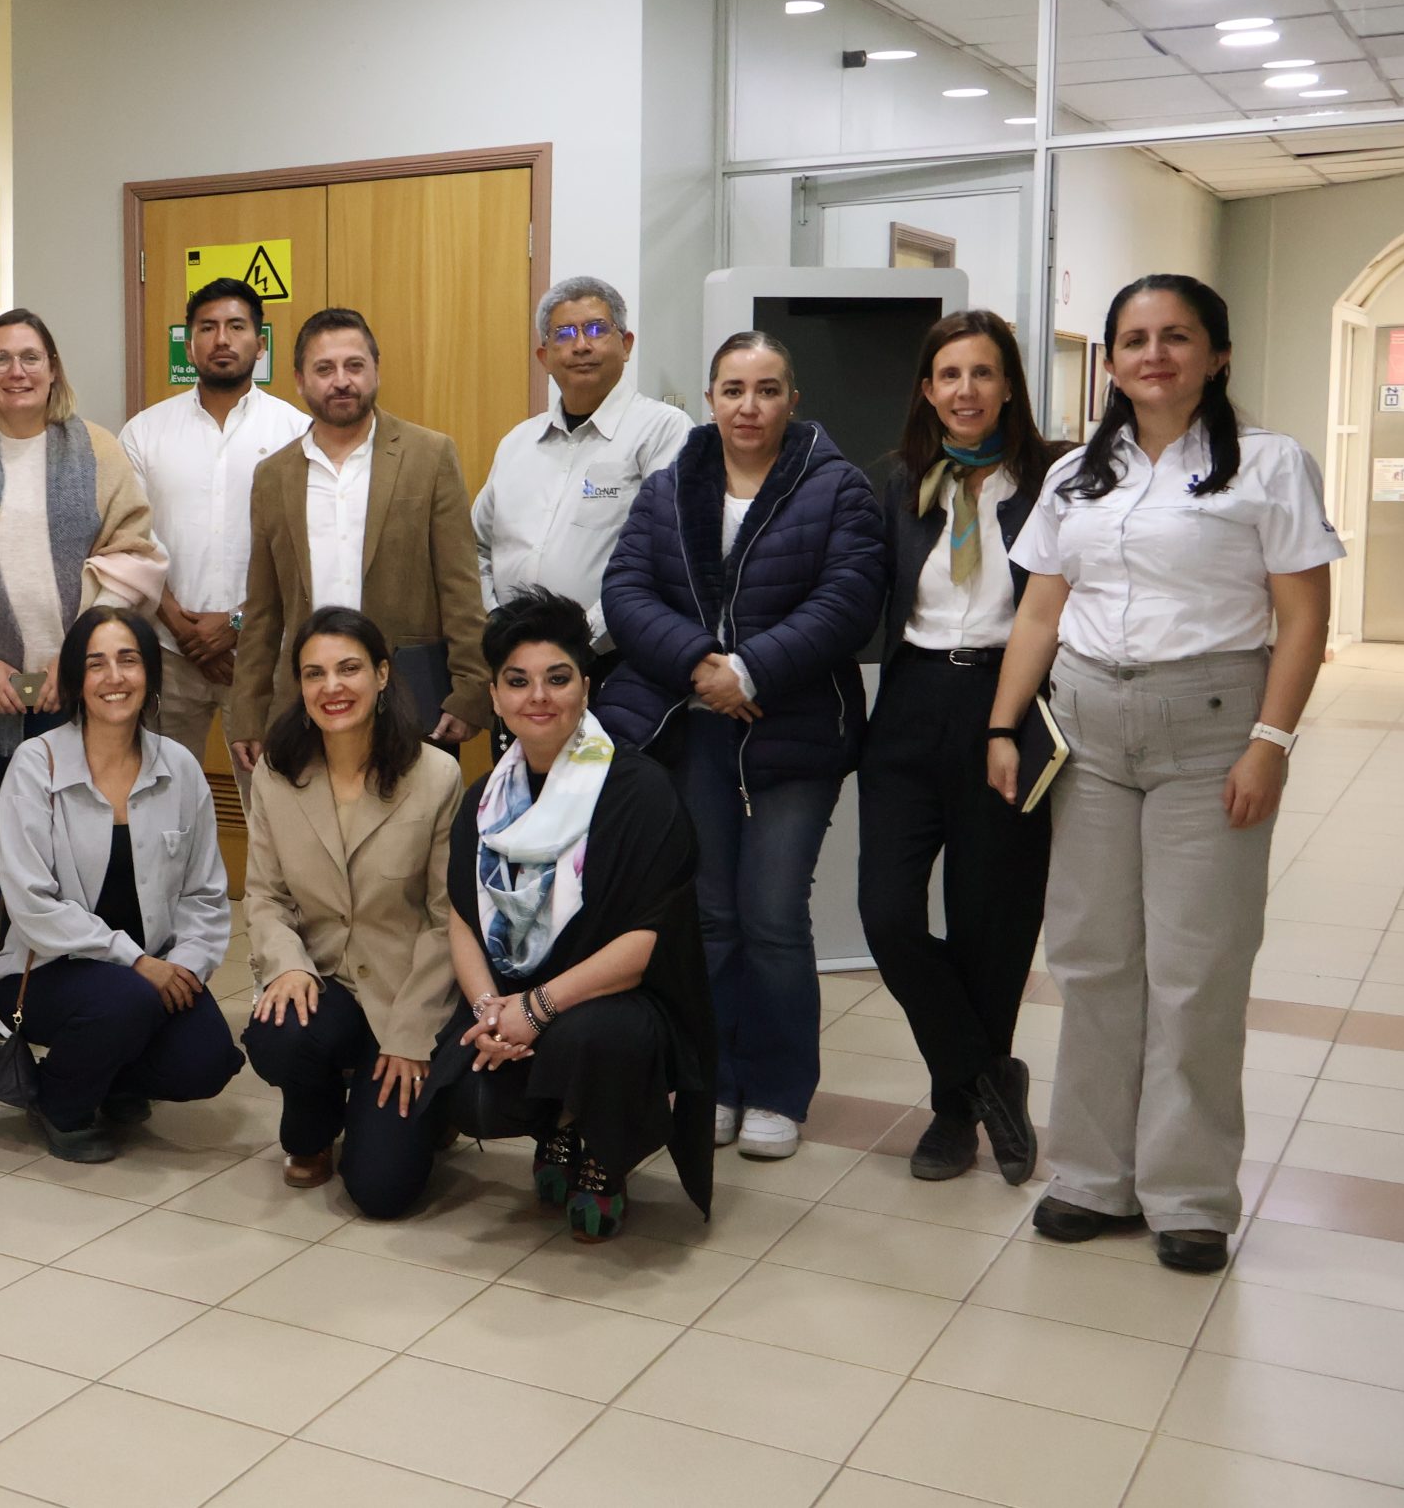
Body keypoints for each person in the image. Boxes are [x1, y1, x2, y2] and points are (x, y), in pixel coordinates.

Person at [990, 274, 1338, 1275]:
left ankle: (1187, 1195)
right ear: (1109, 362)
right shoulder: (1074, 476)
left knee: (1197, 967)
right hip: (1090, 729)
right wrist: (1002, 724)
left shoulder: (1268, 464)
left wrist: (1271, 743)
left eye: (1176, 337)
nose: (1154, 355)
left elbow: (1303, 616)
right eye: (1134, 340)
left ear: (1216, 355)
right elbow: (1041, 611)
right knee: (1093, 958)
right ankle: (1091, 1174)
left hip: (1212, 728)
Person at [596, 331, 886, 1163]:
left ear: (792, 399)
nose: (748, 406)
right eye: (732, 389)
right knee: (711, 916)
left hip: (795, 735)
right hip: (694, 730)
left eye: (766, 389)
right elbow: (625, 589)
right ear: (710, 399)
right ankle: (714, 1080)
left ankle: (779, 1089)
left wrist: (750, 670)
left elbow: (849, 599)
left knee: (773, 914)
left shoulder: (836, 486)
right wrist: (700, 666)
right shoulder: (670, 484)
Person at [429, 590, 714, 1242]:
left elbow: (648, 940)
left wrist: (536, 1009)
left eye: (558, 679)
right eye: (517, 681)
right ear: (495, 696)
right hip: (513, 996)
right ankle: (557, 1124)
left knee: (593, 1039)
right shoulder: (485, 798)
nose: (539, 697)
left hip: (620, 1001)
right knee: (468, 1089)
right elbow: (462, 915)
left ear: (586, 687)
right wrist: (488, 1010)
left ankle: (605, 1155)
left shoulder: (639, 791)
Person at [0, 308, 167, 972]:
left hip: (78, 683)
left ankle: (69, 981)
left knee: (73, 842)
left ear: (52, 368)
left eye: (30, 357)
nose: (17, 371)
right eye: (1, 358)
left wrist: (74, 661)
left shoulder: (98, 449)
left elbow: (134, 553)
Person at [859, 311, 1059, 1185]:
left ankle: (953, 1112)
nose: (965, 390)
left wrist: (1008, 722)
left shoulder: (1052, 481)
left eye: (982, 373)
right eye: (949, 375)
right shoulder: (902, 481)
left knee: (992, 923)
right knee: (888, 915)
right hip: (909, 703)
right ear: (927, 389)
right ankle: (989, 1077)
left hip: (1006, 703)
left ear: (1009, 384)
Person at [0, 605, 244, 1162]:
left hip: (151, 973)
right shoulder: (36, 764)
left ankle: (109, 1077)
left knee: (206, 1062)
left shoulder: (180, 767)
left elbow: (205, 894)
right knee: (126, 1001)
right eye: (96, 664)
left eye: (128, 660)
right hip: (48, 970)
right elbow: (31, 902)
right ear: (76, 681)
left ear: (150, 673)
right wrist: (135, 961)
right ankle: (60, 1104)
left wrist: (187, 966)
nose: (114, 677)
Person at [242, 608, 464, 1218]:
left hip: (404, 991)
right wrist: (287, 966)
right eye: (314, 674)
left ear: (382, 674)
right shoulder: (277, 774)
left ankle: (429, 1101)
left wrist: (412, 1036)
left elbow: (447, 920)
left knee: (382, 1191)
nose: (332, 687)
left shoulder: (437, 774)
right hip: (325, 983)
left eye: (349, 669)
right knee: (279, 1033)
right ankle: (312, 1124)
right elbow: (264, 896)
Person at [233, 308, 488, 773]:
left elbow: (460, 585)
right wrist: (248, 710)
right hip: (309, 702)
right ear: (299, 380)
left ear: (376, 369)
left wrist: (471, 686)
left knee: (414, 819)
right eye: (324, 369)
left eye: (354, 365)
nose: (341, 381)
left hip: (412, 695)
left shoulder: (429, 456)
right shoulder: (273, 476)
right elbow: (263, 610)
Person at [118, 278, 307, 792]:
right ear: (189, 344)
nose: (222, 339)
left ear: (260, 343)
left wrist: (239, 622)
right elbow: (129, 540)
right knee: (162, 801)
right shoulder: (144, 432)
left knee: (271, 801)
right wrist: (180, 625)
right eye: (207, 328)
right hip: (167, 654)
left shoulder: (296, 432)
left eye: (236, 327)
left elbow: (302, 551)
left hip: (265, 655)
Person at [473, 277, 690, 675]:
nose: (581, 346)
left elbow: (663, 553)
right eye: (564, 334)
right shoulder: (517, 443)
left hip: (615, 660)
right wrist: (497, 627)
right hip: (515, 664)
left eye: (595, 329)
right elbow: (477, 547)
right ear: (544, 356)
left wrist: (579, 641)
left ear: (626, 344)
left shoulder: (662, 430)